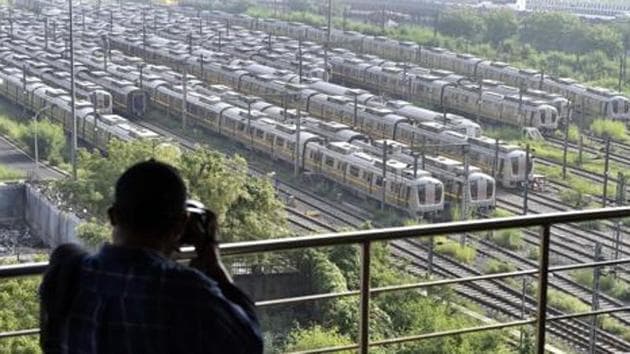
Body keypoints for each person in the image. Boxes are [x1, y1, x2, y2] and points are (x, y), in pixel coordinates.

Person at [39, 160, 263, 354]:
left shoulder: (67, 273)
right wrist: (212, 259)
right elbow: (249, 343)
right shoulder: (189, 291)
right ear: (181, 224)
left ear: (112, 216)